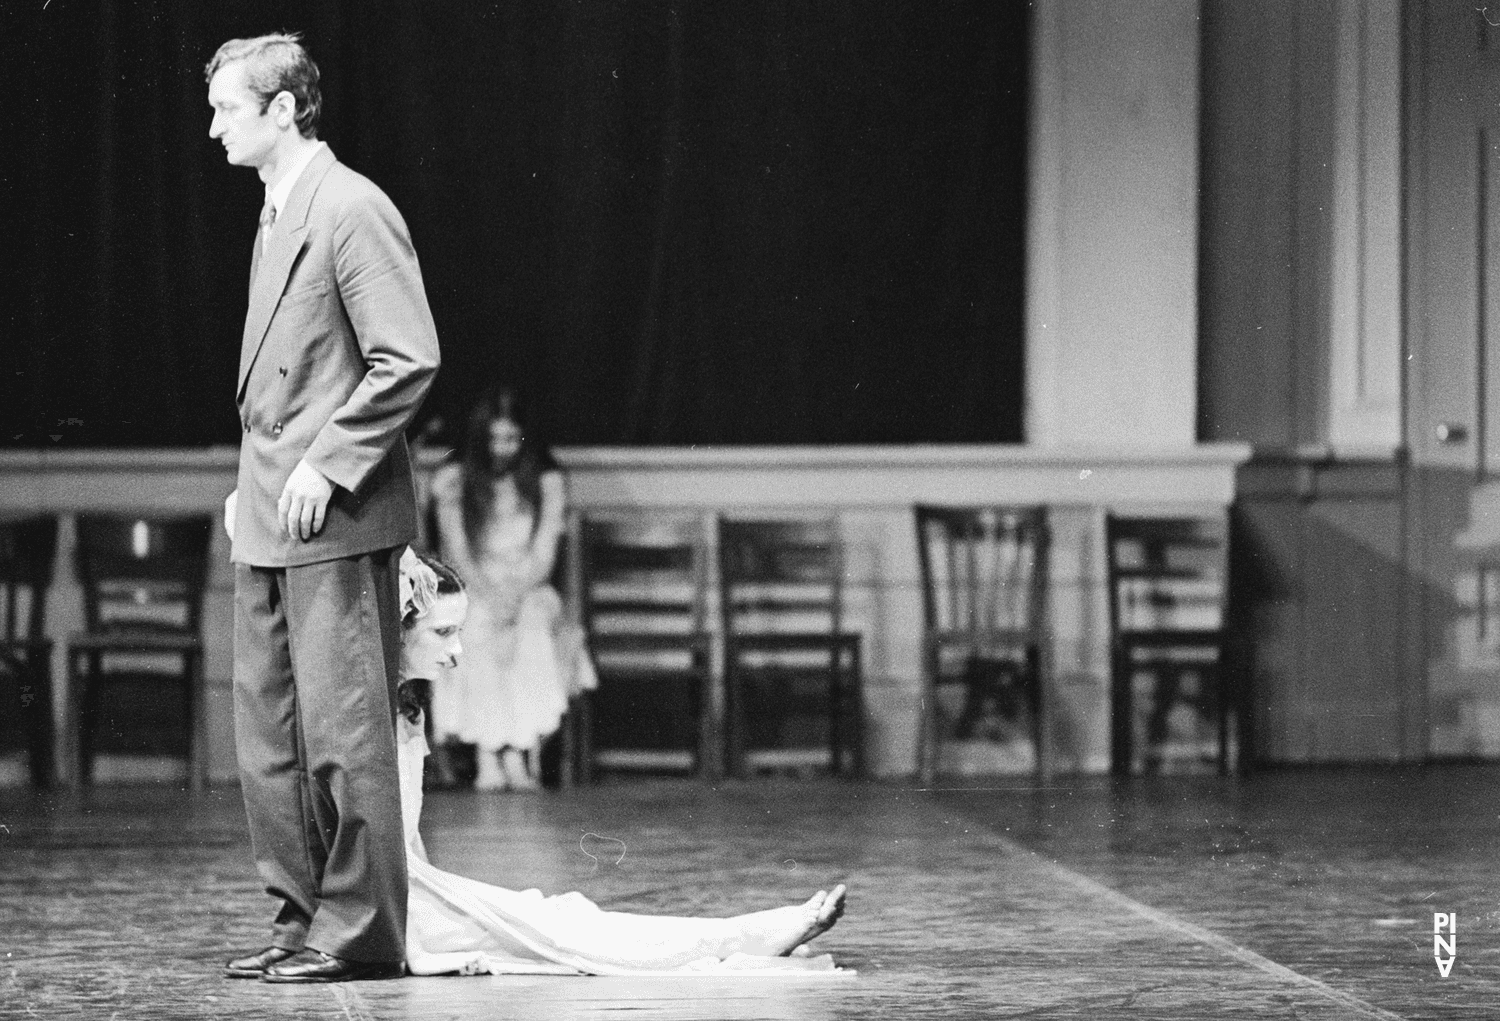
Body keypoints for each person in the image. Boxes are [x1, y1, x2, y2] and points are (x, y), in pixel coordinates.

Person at [208, 33, 441, 983]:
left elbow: (407, 356)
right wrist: (251, 479)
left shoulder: (350, 208)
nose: (214, 125)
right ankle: (298, 921)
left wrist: (327, 465)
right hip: (270, 513)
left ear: (284, 110)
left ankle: (360, 934)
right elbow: (285, 379)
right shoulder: (277, 212)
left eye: (229, 108)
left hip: (333, 515)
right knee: (269, 735)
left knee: (344, 734)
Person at [396, 549, 849, 975]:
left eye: (458, 632)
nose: (457, 652)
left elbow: (407, 840)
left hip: (414, 892)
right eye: (442, 633)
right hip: (395, 908)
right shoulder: (366, 719)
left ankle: (740, 935)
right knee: (550, 930)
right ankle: (740, 937)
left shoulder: (407, 704)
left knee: (556, 913)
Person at [428, 387, 596, 790]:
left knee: (533, 624)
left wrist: (515, 597)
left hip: (528, 585)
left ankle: (520, 753)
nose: (502, 449)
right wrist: (489, 596)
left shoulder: (546, 480)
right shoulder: (454, 479)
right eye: (494, 439)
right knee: (475, 624)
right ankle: (488, 754)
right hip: (476, 585)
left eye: (510, 439)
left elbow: (543, 555)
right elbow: (457, 553)